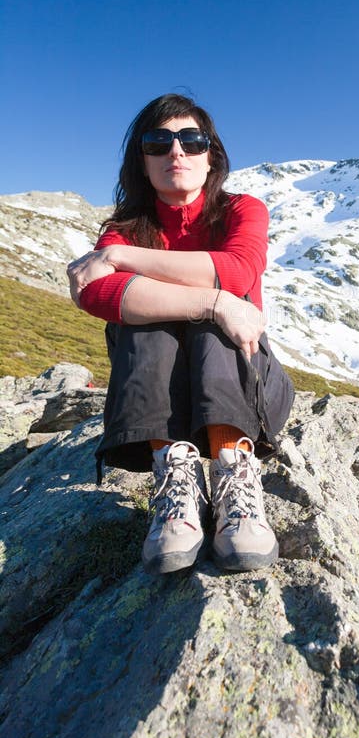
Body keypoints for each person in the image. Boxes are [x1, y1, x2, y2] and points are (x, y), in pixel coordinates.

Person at [67, 93, 294, 575]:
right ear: (141, 160)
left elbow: (236, 270)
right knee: (149, 325)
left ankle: (235, 473)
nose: (177, 152)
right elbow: (94, 294)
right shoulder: (124, 226)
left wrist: (126, 259)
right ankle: (176, 482)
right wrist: (213, 301)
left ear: (211, 156)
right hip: (156, 392)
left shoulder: (240, 210)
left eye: (192, 140)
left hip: (245, 378)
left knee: (214, 328)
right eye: (158, 142)